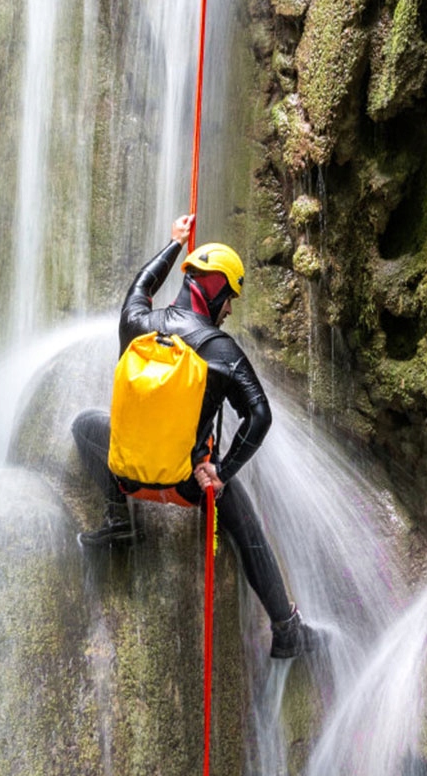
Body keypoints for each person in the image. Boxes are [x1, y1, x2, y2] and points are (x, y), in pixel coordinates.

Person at [71, 213, 323, 660]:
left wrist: (174, 245)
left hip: (128, 475)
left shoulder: (135, 324)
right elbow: (259, 416)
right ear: (216, 289)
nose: (229, 309)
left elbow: (140, 286)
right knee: (247, 526)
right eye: (230, 298)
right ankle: (286, 629)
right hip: (189, 486)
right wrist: (221, 472)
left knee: (84, 426)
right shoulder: (220, 351)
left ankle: (118, 517)